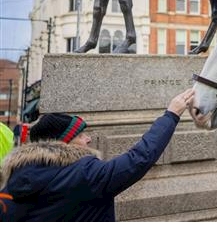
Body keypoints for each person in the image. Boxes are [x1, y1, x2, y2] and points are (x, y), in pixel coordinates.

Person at [0, 88, 195, 221]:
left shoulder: (16, 177)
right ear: (62, 143)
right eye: (80, 135)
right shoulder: (83, 174)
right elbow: (139, 158)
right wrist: (171, 115)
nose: (88, 139)